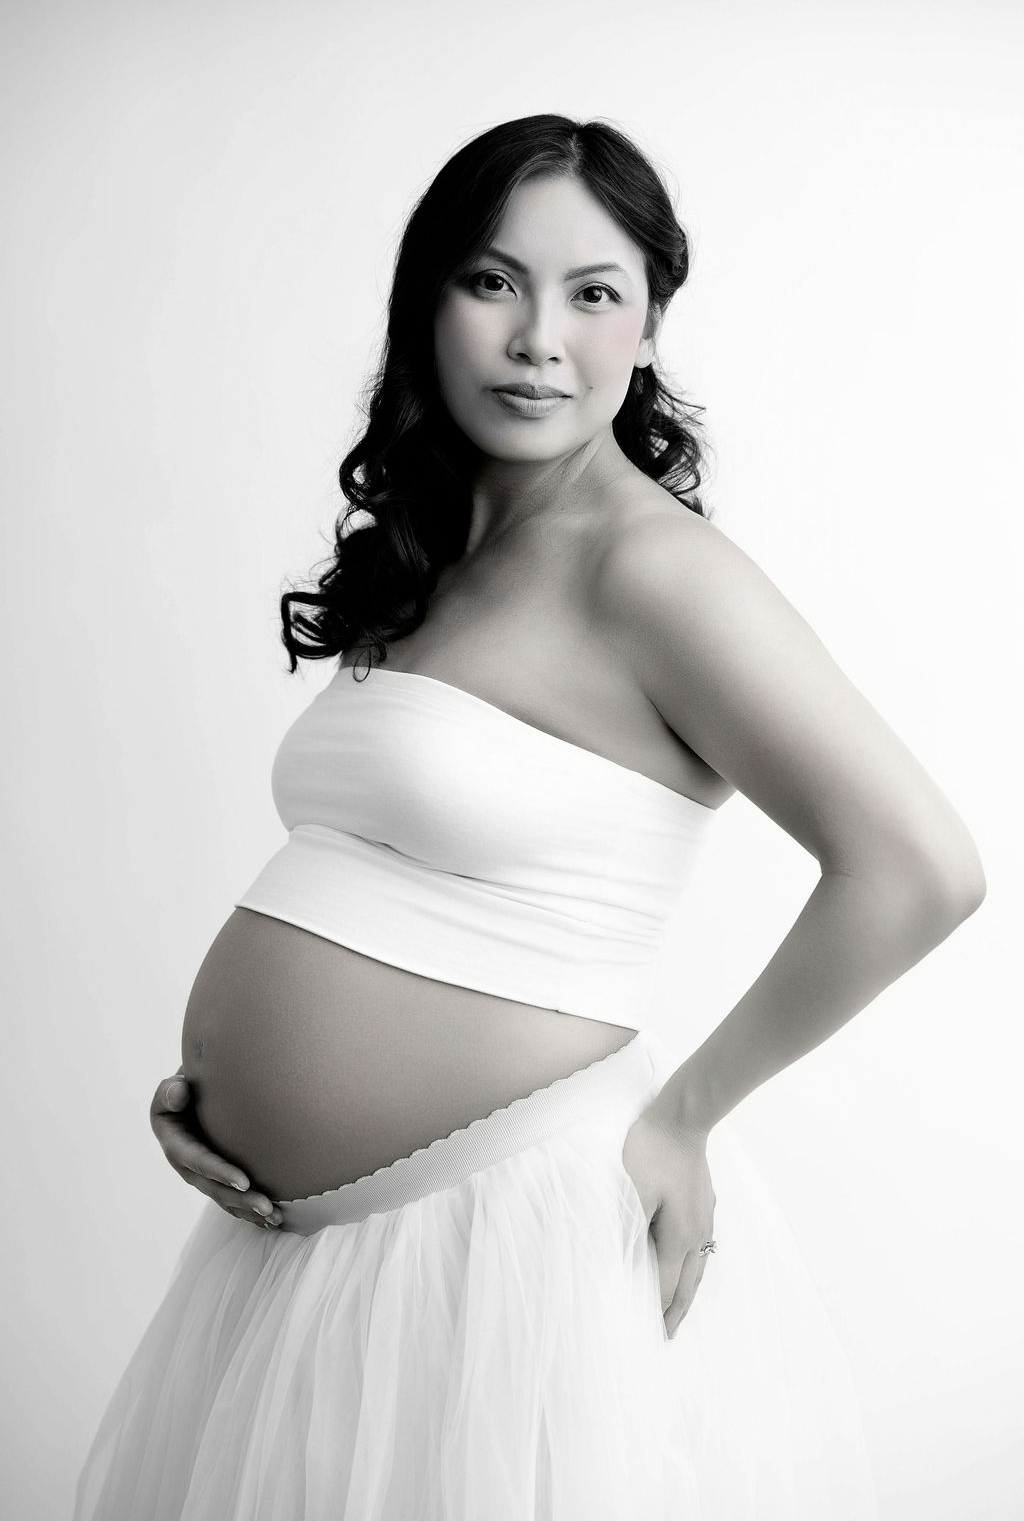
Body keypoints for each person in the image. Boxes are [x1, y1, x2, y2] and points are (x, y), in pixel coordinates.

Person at [74, 113, 985, 1521]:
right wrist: (224, 1095)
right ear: (425, 301)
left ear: (649, 323)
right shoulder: (440, 560)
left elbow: (919, 868)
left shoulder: (656, 573)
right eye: (493, 283)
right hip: (297, 1260)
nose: (538, 340)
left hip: (508, 1245)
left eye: (593, 293)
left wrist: (688, 1119)